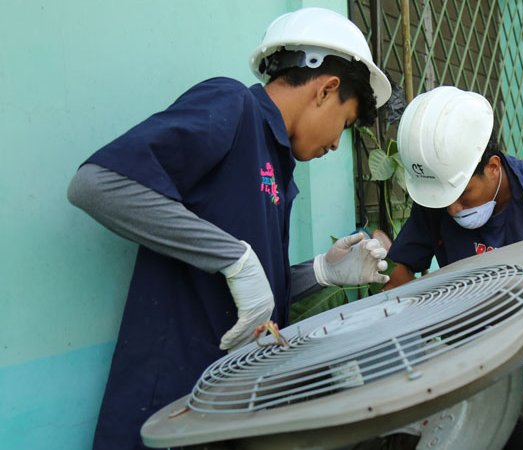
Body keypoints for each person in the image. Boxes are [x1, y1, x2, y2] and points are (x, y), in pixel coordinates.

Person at [67, 8, 393, 450]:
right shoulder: (233, 105)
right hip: (169, 405)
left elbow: (252, 295)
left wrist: (321, 272)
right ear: (326, 89)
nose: (337, 143)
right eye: (346, 122)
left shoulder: (279, 166)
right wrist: (233, 258)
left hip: (226, 408)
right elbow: (96, 185)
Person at [384, 86, 523, 364]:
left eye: (464, 194)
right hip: (478, 363)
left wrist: (501, 302)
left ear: (492, 167)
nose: (452, 209)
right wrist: (432, 317)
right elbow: (398, 272)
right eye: (445, 200)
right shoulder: (441, 197)